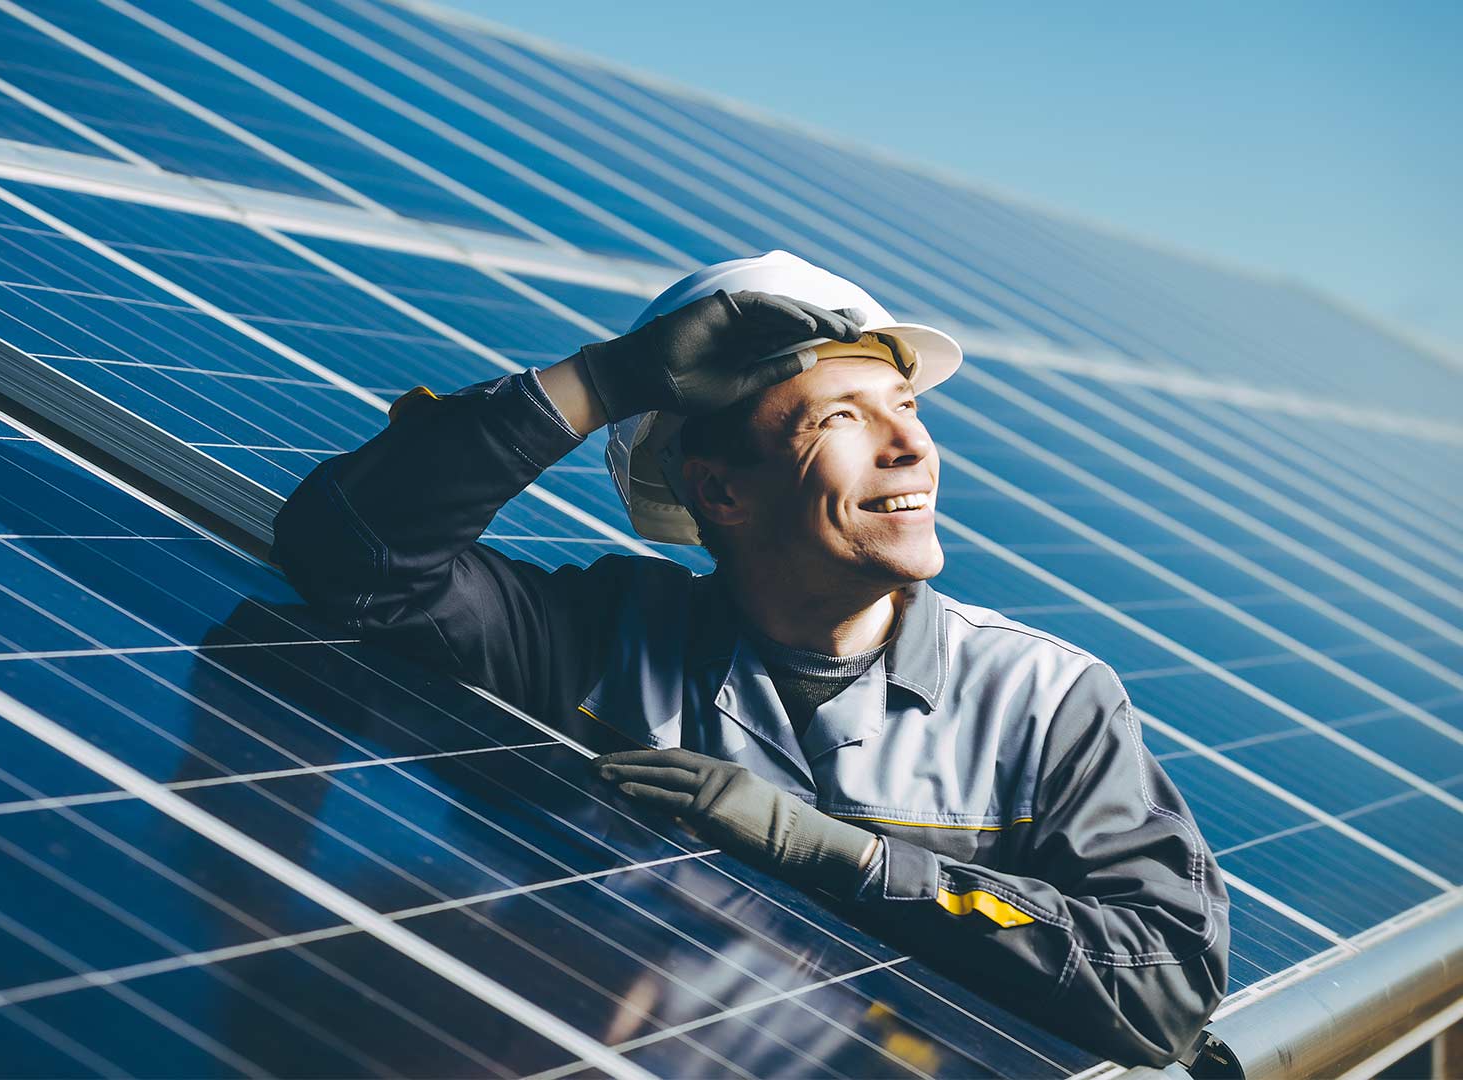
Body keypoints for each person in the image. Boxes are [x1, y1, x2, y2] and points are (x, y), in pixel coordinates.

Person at [270, 250, 1229, 1068]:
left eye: (905, 407)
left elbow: (1166, 985)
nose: (913, 448)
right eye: (843, 419)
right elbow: (355, 554)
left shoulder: (1045, 699)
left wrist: (842, 856)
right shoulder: (598, 637)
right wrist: (608, 381)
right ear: (720, 490)